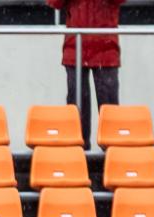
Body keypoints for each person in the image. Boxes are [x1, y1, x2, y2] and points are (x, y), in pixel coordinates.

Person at [48, 0, 124, 143]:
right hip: (80, 46)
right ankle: (79, 154)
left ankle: (112, 153)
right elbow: (54, 2)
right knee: (77, 110)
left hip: (100, 47)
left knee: (109, 111)